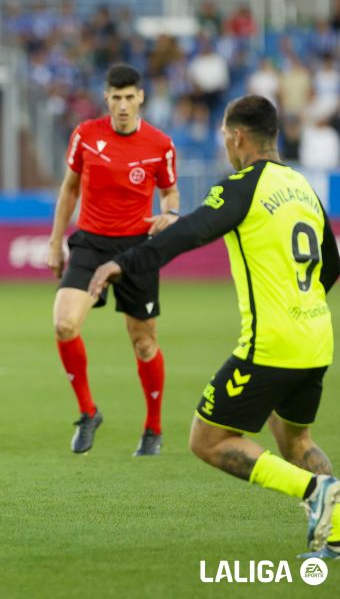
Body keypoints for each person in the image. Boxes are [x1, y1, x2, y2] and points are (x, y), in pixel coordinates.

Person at [89, 95, 340, 560]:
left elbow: (189, 235)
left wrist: (123, 264)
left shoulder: (243, 185)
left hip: (272, 344)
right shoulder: (304, 187)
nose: (225, 143)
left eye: (226, 135)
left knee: (207, 440)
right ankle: (338, 527)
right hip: (317, 338)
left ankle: (317, 493)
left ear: (237, 136)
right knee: (295, 439)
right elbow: (332, 265)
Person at [46, 64, 179, 456]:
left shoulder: (160, 144)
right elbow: (69, 189)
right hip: (91, 244)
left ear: (141, 97)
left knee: (143, 341)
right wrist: (56, 242)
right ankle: (88, 412)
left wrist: (169, 213)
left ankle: (153, 429)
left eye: (129, 97)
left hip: (138, 248)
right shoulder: (85, 135)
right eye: (115, 97)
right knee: (64, 323)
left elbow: (170, 193)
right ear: (106, 98)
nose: (122, 105)